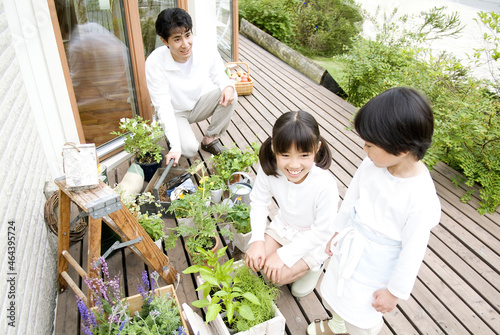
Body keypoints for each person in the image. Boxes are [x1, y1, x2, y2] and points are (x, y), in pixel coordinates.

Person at [308, 87, 441, 335]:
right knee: (338, 292)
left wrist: (394, 292)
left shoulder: (420, 197)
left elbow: (413, 251)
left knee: (361, 316)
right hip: (351, 243)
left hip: (377, 266)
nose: (364, 150)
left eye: (369, 145)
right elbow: (353, 197)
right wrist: (337, 230)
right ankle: (338, 324)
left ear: (400, 149)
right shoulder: (372, 163)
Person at [245, 110, 339, 298]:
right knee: (258, 263)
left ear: (317, 148)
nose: (294, 165)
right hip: (285, 227)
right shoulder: (269, 169)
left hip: (314, 238)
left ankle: (316, 265)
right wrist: (257, 239)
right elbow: (259, 201)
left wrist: (282, 256)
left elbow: (322, 232)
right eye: (285, 155)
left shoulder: (325, 184)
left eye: (304, 155)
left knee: (276, 276)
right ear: (273, 147)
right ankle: (291, 261)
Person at [145, 8, 237, 166]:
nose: (185, 44)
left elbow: (219, 74)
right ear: (164, 41)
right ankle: (175, 136)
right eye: (177, 39)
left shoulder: (204, 48)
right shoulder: (155, 62)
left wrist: (227, 85)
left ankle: (209, 139)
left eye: (187, 35)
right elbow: (163, 106)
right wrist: (175, 146)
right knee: (188, 150)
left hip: (196, 104)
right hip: (175, 112)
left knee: (231, 92)